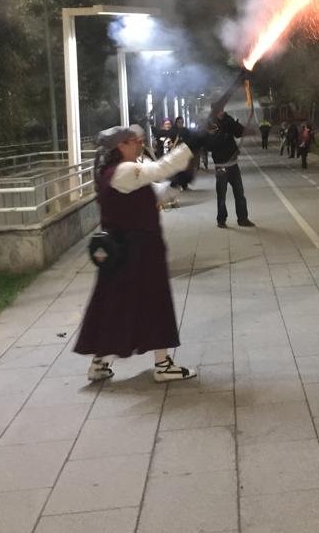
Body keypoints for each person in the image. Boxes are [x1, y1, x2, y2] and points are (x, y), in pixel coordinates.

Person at [74, 125, 197, 382]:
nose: (140, 144)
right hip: (137, 251)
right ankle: (162, 364)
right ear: (121, 145)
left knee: (114, 306)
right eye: (135, 141)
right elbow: (160, 168)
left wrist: (178, 183)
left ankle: (100, 362)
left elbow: (157, 192)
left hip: (123, 254)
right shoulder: (123, 171)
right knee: (155, 304)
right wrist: (189, 147)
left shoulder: (120, 173)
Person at [208, 110, 255, 229]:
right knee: (221, 195)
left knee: (240, 193)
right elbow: (211, 144)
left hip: (233, 164)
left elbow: (239, 132)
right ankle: (221, 219)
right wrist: (223, 129)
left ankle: (243, 218)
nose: (221, 111)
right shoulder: (211, 123)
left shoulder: (228, 120)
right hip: (221, 165)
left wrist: (240, 126)